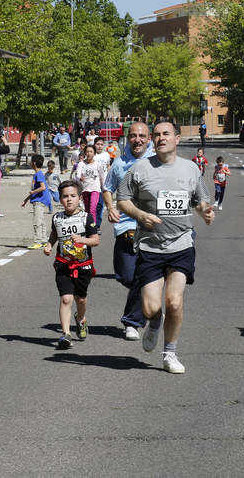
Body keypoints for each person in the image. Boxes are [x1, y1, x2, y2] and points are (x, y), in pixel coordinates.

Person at [117, 121, 215, 374]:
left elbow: (201, 199)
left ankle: (169, 354)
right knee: (151, 308)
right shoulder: (140, 168)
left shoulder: (191, 168)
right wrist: (139, 215)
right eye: (157, 134)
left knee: (174, 302)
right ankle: (154, 323)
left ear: (177, 139)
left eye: (166, 134)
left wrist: (205, 211)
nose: (161, 138)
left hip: (182, 244)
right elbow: (122, 198)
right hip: (150, 247)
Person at [102, 122, 155, 340]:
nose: (138, 139)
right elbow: (107, 188)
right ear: (128, 138)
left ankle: (132, 321)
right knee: (126, 276)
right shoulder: (120, 163)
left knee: (142, 277)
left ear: (149, 138)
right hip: (124, 228)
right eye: (133, 135)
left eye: (142, 135)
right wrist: (110, 206)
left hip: (150, 229)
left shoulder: (157, 161)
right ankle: (147, 304)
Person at [43, 180, 100, 349]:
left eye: (73, 196)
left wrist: (82, 240)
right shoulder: (57, 218)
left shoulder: (86, 217)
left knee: (80, 299)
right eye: (65, 196)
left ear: (80, 198)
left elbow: (95, 240)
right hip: (63, 264)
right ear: (60, 199)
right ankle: (65, 334)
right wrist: (49, 244)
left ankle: (81, 319)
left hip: (83, 264)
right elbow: (54, 233)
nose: (69, 200)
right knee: (66, 298)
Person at [22, 154, 52, 250]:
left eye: (31, 161)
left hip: (40, 201)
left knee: (37, 221)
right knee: (41, 221)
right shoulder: (38, 174)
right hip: (40, 200)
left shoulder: (38, 174)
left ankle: (38, 241)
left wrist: (33, 192)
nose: (30, 163)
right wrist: (26, 199)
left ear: (34, 163)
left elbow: (42, 187)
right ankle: (43, 240)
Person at [75, 144, 105, 226]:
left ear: (94, 153)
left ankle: (93, 227)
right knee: (87, 210)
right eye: (87, 151)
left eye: (91, 152)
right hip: (85, 189)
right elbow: (77, 175)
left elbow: (102, 178)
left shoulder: (98, 164)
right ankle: (88, 226)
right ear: (85, 153)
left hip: (95, 189)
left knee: (92, 209)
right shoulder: (81, 164)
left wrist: (104, 190)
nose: (89, 153)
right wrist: (79, 178)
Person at [93, 137, 111, 230]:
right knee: (93, 205)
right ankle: (92, 223)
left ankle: (97, 225)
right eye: (98, 144)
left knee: (100, 205)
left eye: (101, 144)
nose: (99, 146)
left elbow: (108, 166)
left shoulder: (106, 155)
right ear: (94, 144)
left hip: (104, 185)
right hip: (93, 184)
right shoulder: (92, 155)